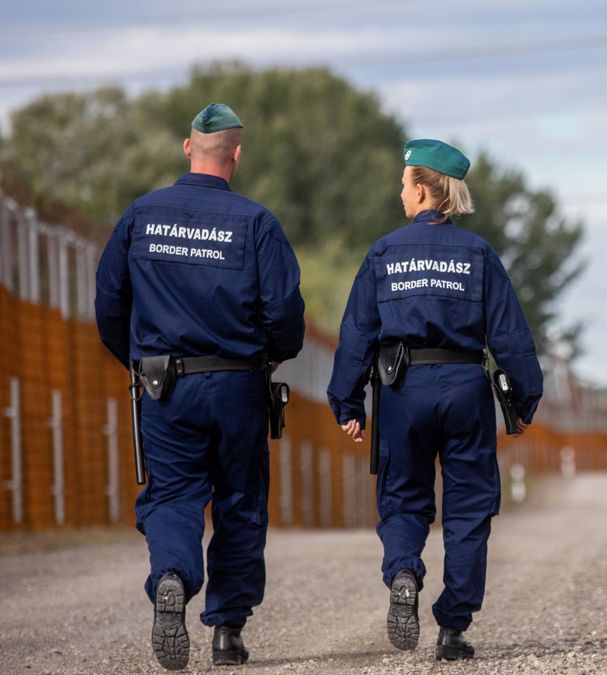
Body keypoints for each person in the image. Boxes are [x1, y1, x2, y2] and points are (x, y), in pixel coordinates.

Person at [94, 103, 306, 670]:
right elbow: (284, 313)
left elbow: (109, 304)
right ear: (236, 156)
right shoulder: (258, 222)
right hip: (239, 385)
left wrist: (138, 362)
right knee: (239, 501)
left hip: (165, 384)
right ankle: (228, 632)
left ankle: (170, 578)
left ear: (188, 148)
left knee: (172, 494)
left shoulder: (141, 215)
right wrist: (272, 354)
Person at [327, 139, 542, 661]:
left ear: (423, 189)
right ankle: (453, 628)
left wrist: (346, 402)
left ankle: (404, 569)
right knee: (468, 507)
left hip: (404, 390)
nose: (401, 194)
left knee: (404, 496)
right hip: (466, 387)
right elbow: (510, 335)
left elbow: (357, 333)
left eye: (404, 184)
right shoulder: (479, 254)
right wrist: (526, 398)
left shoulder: (384, 251)